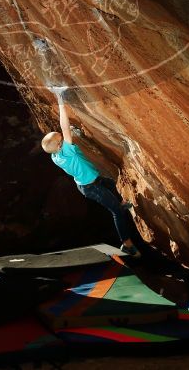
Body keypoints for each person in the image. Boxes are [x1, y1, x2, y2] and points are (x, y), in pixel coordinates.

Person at [41, 89, 140, 258]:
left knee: (110, 182)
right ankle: (127, 244)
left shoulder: (55, 156)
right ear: (60, 146)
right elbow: (65, 127)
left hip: (90, 181)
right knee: (116, 212)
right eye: (61, 140)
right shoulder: (67, 152)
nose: (64, 139)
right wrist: (60, 98)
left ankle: (121, 203)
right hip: (90, 187)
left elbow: (60, 136)